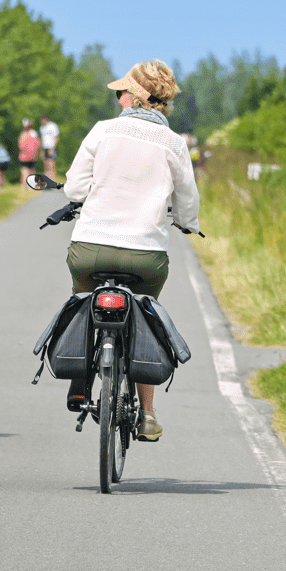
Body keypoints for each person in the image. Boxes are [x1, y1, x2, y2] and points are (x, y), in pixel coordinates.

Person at [62, 59, 199, 442]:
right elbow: (187, 200)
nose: (118, 97)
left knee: (83, 298)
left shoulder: (103, 131)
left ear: (134, 97)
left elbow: (74, 189)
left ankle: (77, 382)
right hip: (146, 256)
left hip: (91, 247)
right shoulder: (174, 143)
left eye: (122, 91)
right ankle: (149, 414)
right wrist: (188, 222)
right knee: (144, 316)